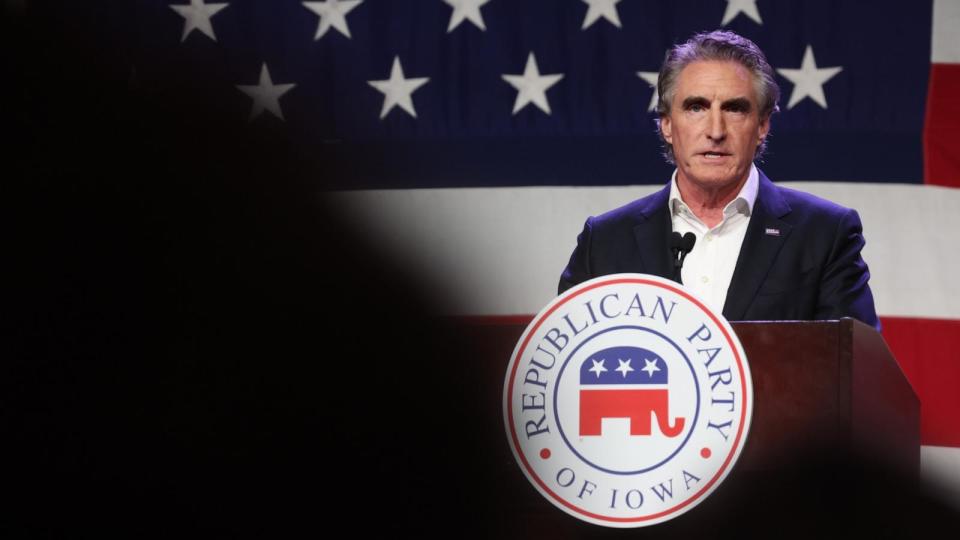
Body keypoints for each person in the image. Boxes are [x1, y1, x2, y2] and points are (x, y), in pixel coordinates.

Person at [559, 30, 879, 331]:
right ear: (667, 125)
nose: (716, 130)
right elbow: (567, 361)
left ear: (763, 126)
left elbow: (854, 371)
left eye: (735, 109)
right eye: (696, 107)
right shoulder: (604, 243)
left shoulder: (825, 234)